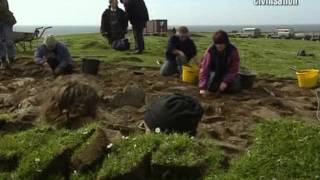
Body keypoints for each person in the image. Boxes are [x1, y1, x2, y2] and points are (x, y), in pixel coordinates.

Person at [199, 30, 242, 96]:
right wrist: (202, 87)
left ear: (226, 42)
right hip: (214, 73)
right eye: (217, 43)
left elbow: (234, 69)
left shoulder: (233, 51)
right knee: (211, 88)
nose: (219, 46)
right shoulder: (210, 51)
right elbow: (205, 68)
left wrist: (226, 81)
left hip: (228, 73)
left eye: (221, 43)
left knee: (235, 88)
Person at [0, 0, 17, 69]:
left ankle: (11, 60)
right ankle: (3, 60)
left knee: (9, 42)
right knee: (0, 43)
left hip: (6, 21)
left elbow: (3, 7)